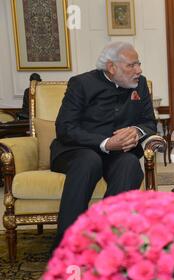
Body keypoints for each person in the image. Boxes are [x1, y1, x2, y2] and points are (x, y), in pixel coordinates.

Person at [50, 42, 157, 250]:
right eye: (132, 65)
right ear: (111, 67)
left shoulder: (140, 84)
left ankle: (109, 241)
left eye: (139, 64)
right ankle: (67, 244)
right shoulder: (81, 84)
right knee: (89, 162)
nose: (139, 70)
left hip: (117, 154)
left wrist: (137, 130)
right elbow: (65, 127)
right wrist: (106, 143)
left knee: (129, 164)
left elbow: (149, 122)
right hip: (76, 150)